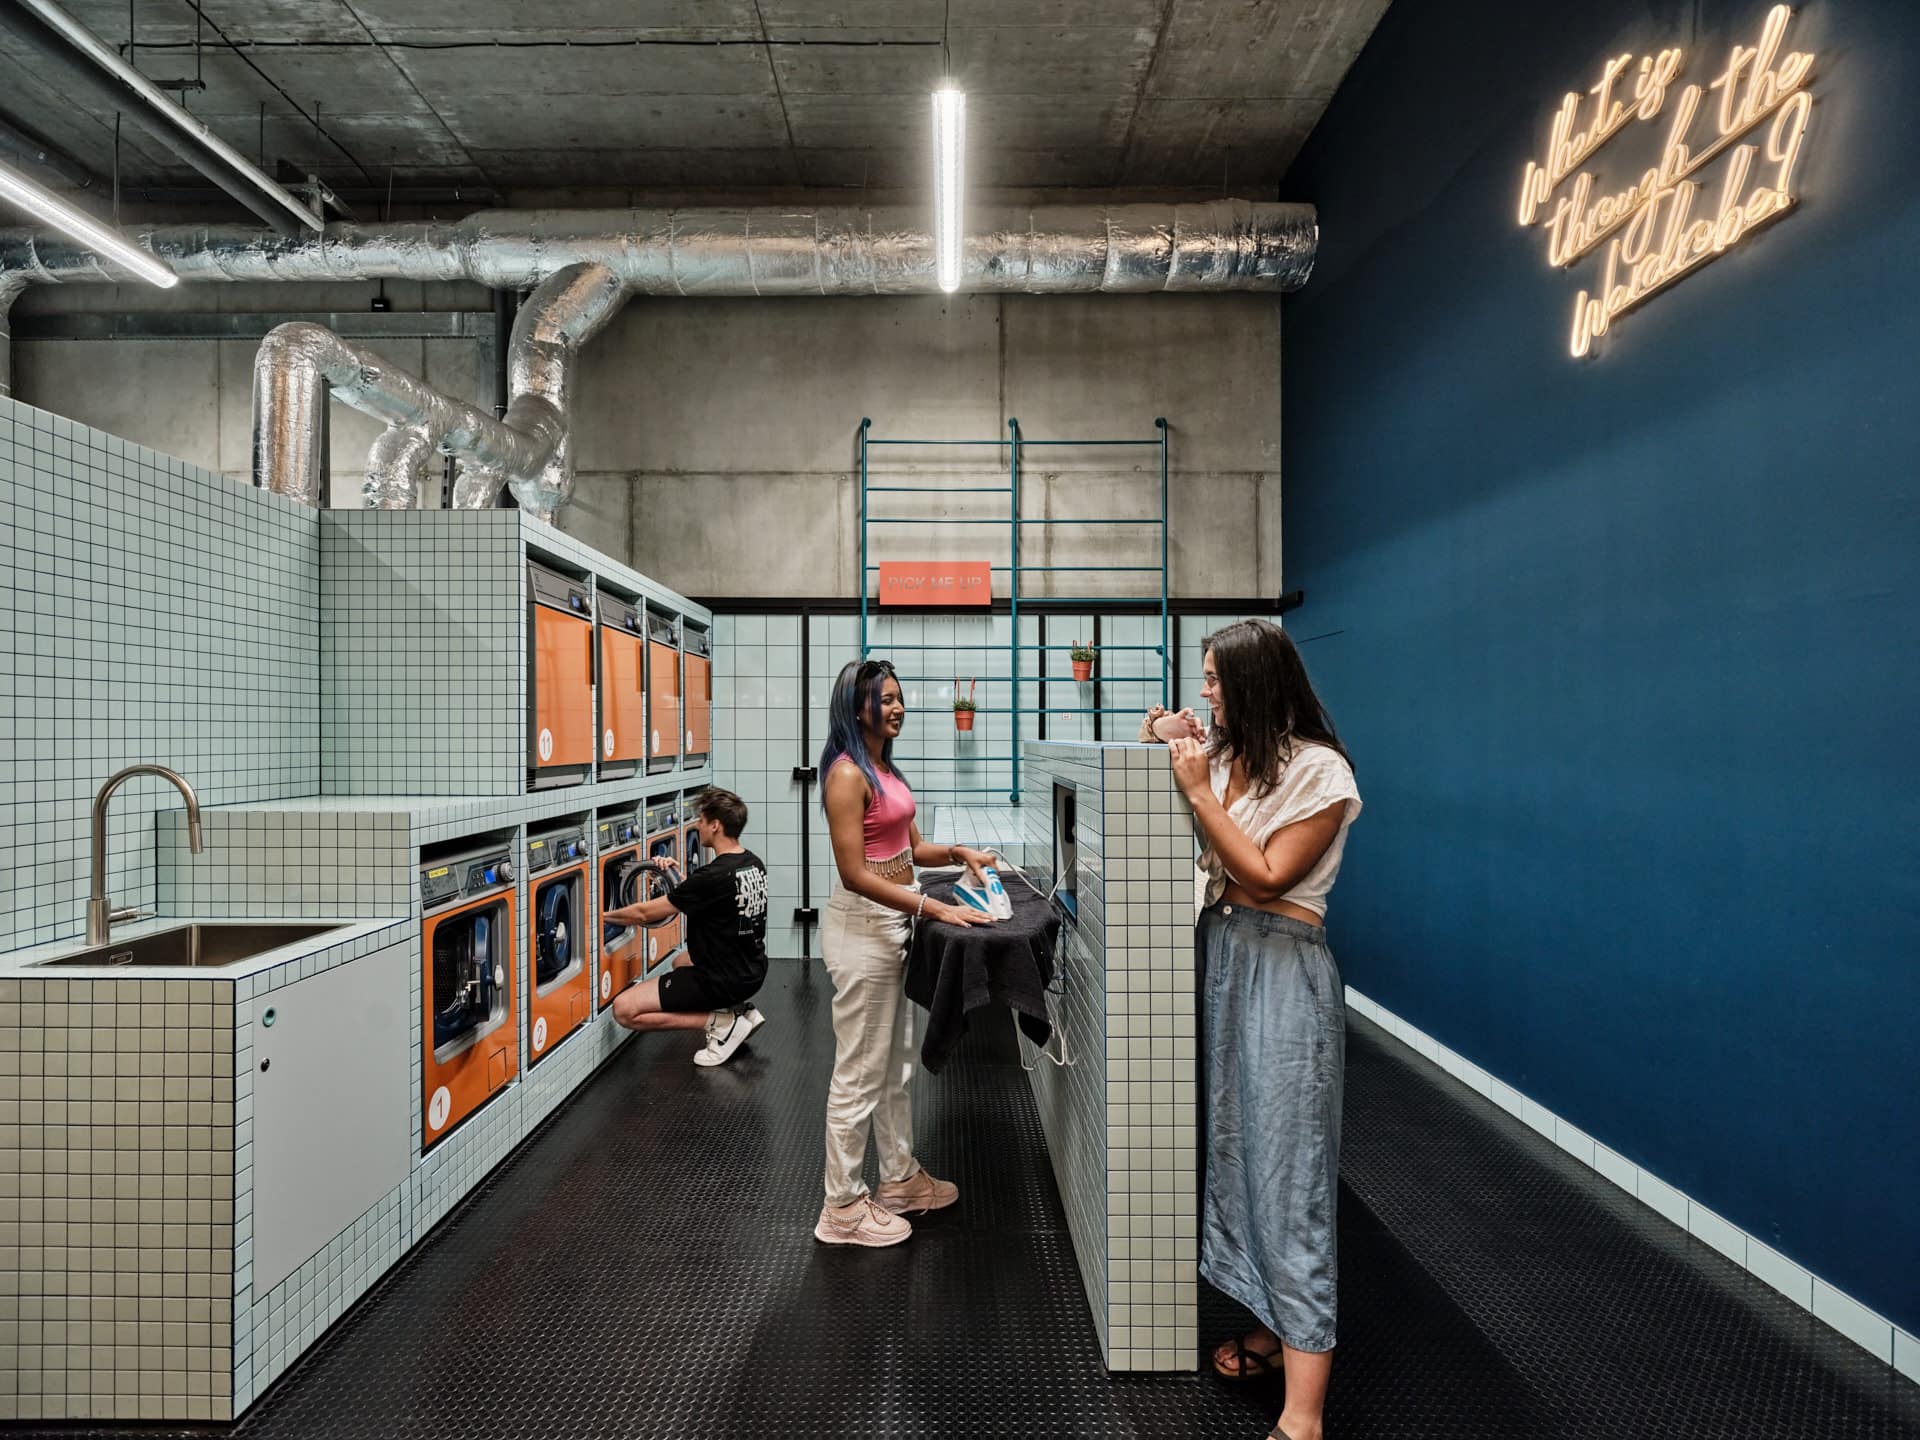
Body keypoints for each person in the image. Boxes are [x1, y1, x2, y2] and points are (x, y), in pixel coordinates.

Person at [1146, 619, 1361, 1440]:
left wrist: (1201, 790)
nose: (1205, 692)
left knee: (1291, 1174)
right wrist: (1169, 734)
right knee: (1240, 1156)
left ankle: (1303, 1418)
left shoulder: (1323, 773)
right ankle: (1273, 1332)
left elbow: (1267, 875)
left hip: (1283, 968)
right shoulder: (1243, 758)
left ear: (1256, 683)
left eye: (1213, 679)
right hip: (1227, 958)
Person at [814, 658, 1000, 1248]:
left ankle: (897, 1180)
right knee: (859, 1073)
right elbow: (853, 874)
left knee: (893, 1066)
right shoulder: (847, 775)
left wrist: (963, 853)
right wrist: (936, 909)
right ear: (856, 705)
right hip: (864, 927)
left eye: (899, 698)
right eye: (885, 699)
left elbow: (912, 849)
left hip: (894, 920)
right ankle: (840, 1206)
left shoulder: (884, 768)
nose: (897, 708)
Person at [607, 787, 769, 1069]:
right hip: (751, 970)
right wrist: (676, 876)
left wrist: (599, 917)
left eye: (702, 820)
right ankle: (740, 1011)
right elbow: (710, 897)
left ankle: (721, 1023)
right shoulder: (752, 863)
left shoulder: (712, 877)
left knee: (624, 1010)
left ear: (715, 825)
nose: (698, 825)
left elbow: (645, 913)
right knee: (679, 961)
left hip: (722, 979)